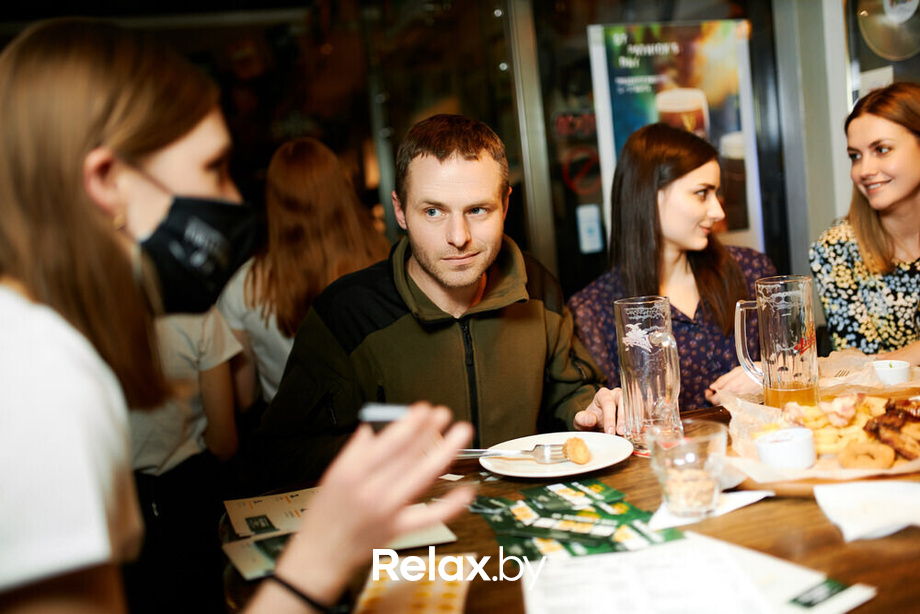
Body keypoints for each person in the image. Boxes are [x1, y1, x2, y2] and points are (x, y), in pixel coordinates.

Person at [0, 18, 472, 614]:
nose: (231, 201)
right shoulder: (36, 371)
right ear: (104, 180)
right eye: (213, 169)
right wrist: (322, 553)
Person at [243, 113, 605, 489]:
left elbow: (572, 393)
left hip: (524, 522)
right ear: (400, 211)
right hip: (409, 535)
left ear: (505, 204)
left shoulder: (536, 286)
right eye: (433, 211)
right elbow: (274, 459)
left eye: (477, 210)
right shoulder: (346, 315)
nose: (458, 237)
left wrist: (591, 410)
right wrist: (376, 452)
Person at [568, 123, 775, 414]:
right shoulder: (594, 310)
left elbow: (801, 361)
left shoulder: (750, 270)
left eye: (716, 193)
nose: (718, 212)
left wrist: (770, 374)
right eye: (702, 193)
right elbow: (606, 423)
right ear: (650, 195)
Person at [218, 137, 390, 410]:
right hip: (377, 436)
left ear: (273, 202)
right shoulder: (385, 262)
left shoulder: (242, 288)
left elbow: (243, 397)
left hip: (291, 442)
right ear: (341, 190)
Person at [124, 307, 242, 613]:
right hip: (190, 497)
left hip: (114, 503)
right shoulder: (200, 313)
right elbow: (223, 442)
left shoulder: (65, 316)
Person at [810, 81, 920, 363]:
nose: (864, 170)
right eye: (855, 156)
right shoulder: (836, 250)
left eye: (881, 149)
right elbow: (861, 370)